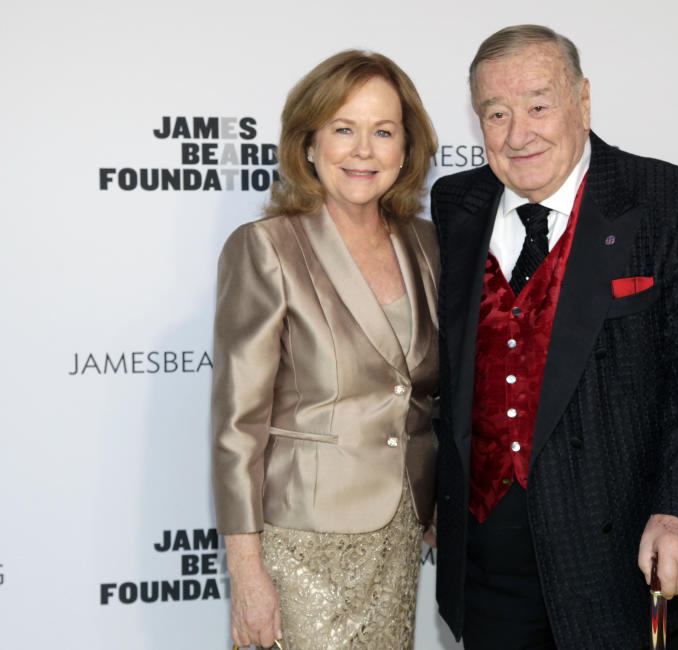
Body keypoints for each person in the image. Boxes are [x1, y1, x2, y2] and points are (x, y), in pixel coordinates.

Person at [430, 25, 678, 649]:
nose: (519, 134)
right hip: (488, 561)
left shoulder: (666, 201)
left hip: (621, 558)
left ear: (584, 100)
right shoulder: (453, 205)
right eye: (496, 113)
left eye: (539, 106)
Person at [211, 50, 439, 650]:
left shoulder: (427, 244)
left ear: (405, 149)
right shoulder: (267, 248)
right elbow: (238, 426)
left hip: (398, 536)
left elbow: (429, 390)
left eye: (383, 131)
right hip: (299, 546)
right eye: (344, 128)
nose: (364, 150)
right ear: (309, 143)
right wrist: (247, 572)